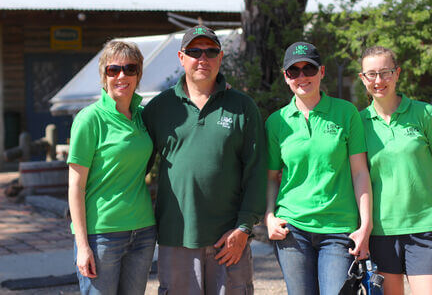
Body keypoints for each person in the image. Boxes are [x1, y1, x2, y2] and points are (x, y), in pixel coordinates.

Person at [142, 25, 267, 295]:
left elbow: (256, 172)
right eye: (195, 51)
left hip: (229, 240)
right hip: (177, 238)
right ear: (181, 57)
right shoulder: (159, 109)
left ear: (221, 57)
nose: (203, 58)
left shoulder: (242, 107)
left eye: (211, 52)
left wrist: (244, 228)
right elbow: (131, 159)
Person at [265, 41, 373, 295]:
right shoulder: (276, 122)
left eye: (309, 69)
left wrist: (365, 226)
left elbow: (360, 173)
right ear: (285, 76)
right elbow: (270, 177)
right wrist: (269, 217)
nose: (302, 77)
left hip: (338, 229)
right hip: (292, 228)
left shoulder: (346, 113)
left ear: (322, 72)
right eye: (294, 71)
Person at [358, 46, 432, 295]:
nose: (378, 81)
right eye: (371, 74)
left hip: (425, 228)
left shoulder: (425, 113)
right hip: (380, 232)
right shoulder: (357, 123)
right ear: (362, 78)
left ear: (397, 73)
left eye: (385, 72)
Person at [67, 40, 157, 295]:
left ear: (138, 75)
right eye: (113, 69)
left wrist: (221, 90)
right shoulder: (89, 119)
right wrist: (82, 245)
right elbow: (76, 186)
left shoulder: (143, 116)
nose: (122, 75)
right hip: (102, 236)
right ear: (103, 75)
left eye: (130, 69)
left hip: (143, 232)